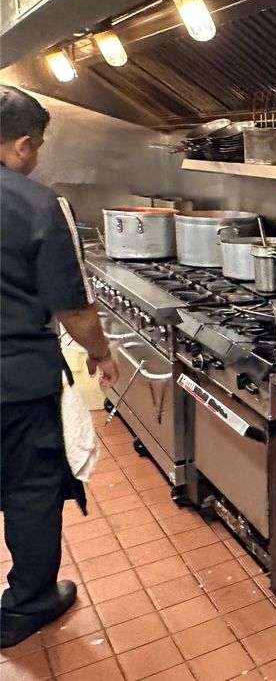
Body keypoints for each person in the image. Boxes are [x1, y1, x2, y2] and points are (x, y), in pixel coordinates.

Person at [0, 85, 119, 648]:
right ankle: (29, 604)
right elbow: (71, 305)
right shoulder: (31, 203)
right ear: (22, 143)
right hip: (15, 380)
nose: (37, 156)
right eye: (38, 145)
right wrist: (100, 352)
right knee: (29, 490)